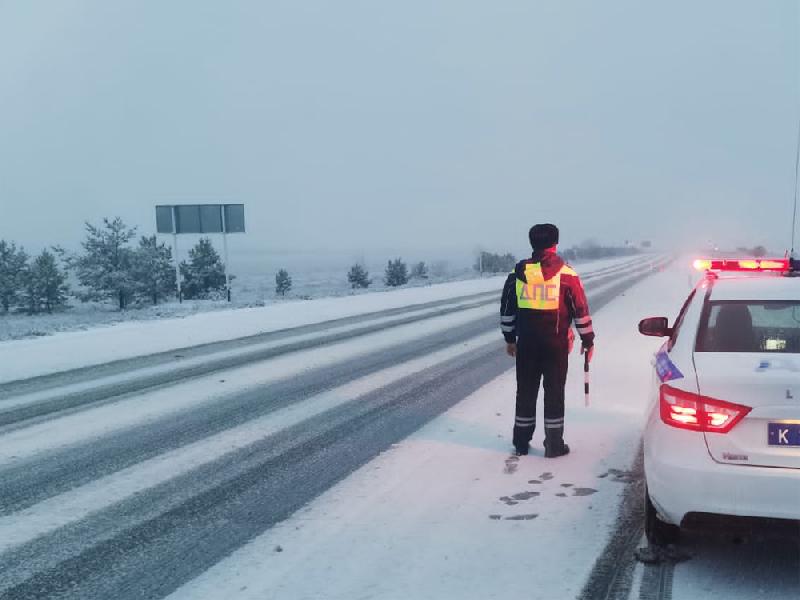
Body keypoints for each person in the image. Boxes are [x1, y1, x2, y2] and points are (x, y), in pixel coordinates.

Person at [500, 223, 594, 457]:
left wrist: (510, 339)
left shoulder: (517, 275)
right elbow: (580, 310)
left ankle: (521, 442)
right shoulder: (567, 275)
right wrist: (588, 340)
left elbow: (507, 310)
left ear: (532, 244)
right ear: (555, 244)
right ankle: (554, 445)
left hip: (527, 346)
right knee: (554, 393)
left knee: (526, 392)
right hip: (556, 346)